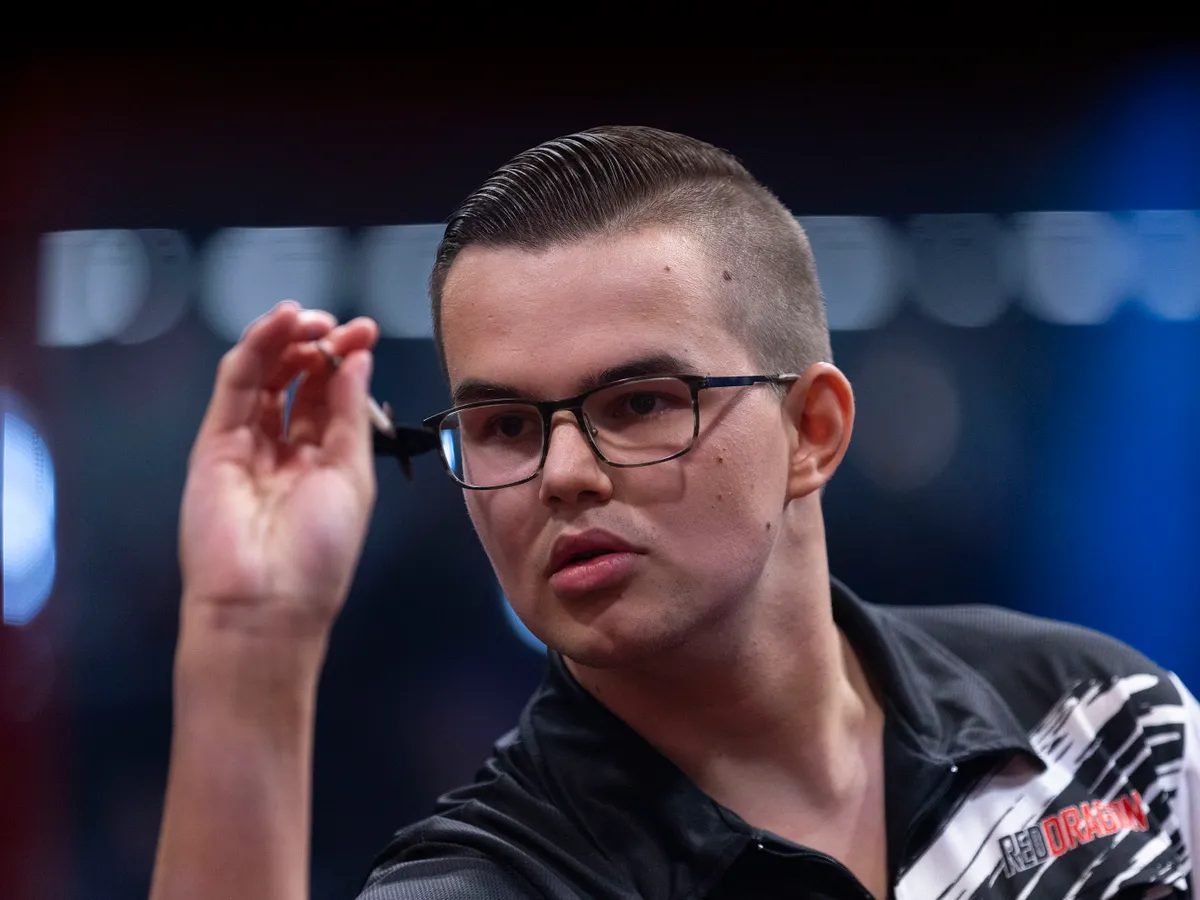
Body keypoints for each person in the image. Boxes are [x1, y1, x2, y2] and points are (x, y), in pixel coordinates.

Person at [148, 127, 1200, 900]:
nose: (563, 474)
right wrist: (249, 636)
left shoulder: (1097, 713)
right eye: (506, 425)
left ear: (813, 430)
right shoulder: (490, 883)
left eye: (640, 403)